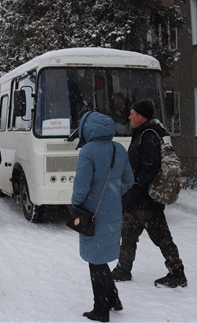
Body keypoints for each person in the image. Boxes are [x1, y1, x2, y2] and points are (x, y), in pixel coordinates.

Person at [111, 99, 188, 288]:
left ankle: (177, 273)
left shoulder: (149, 136)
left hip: (146, 201)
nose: (129, 117)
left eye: (132, 113)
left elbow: (149, 168)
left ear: (141, 115)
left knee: (161, 237)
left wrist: (134, 186)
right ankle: (123, 269)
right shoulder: (142, 134)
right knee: (128, 234)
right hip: (134, 199)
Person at [71, 112, 134, 322]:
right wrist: (112, 197)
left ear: (87, 129)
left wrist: (76, 204)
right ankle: (114, 300)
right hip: (113, 211)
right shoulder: (119, 148)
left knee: (95, 261)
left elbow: (80, 189)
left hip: (92, 214)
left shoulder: (88, 151)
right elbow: (128, 180)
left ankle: (101, 309)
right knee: (101, 257)